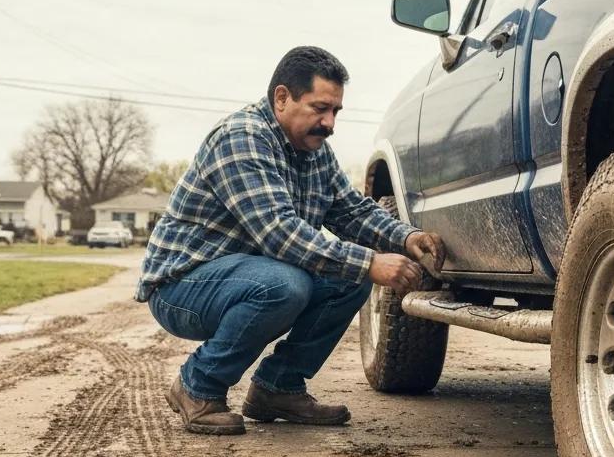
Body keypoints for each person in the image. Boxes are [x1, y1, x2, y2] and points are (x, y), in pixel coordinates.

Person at [136, 46, 444, 435]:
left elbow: (350, 210)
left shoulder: (315, 152)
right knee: (288, 285)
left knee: (347, 278)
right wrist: (370, 262)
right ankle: (198, 385)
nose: (329, 122)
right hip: (182, 287)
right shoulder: (242, 138)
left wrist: (406, 236)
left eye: (335, 111)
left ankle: (278, 388)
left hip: (249, 276)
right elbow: (279, 233)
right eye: (319, 108)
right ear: (282, 98)